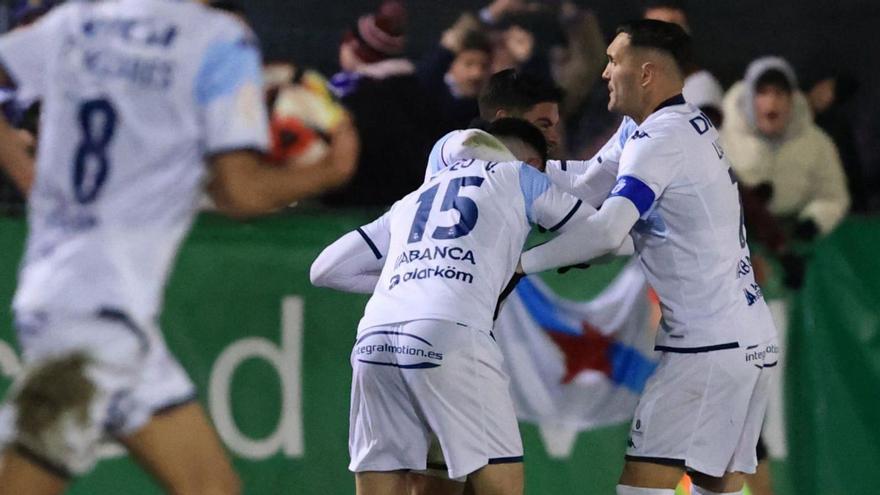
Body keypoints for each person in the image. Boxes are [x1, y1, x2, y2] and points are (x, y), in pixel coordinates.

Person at [0, 1, 359, 494]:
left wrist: (30, 177)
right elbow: (239, 192)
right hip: (97, 316)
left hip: (84, 303)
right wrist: (331, 170)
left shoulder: (81, 19)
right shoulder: (218, 40)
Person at [517, 20, 778, 495]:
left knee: (643, 486)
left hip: (706, 345)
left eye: (614, 60)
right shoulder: (659, 126)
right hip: (744, 336)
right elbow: (586, 183)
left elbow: (607, 231)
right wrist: (515, 170)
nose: (604, 72)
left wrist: (520, 265)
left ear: (646, 74)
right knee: (715, 482)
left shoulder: (662, 140)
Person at [311, 118, 631, 495]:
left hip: (374, 339)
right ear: (532, 163)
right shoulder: (521, 176)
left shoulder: (414, 198)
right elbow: (607, 238)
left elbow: (324, 269)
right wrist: (523, 263)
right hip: (450, 332)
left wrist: (411, 276)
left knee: (382, 478)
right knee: (502, 485)